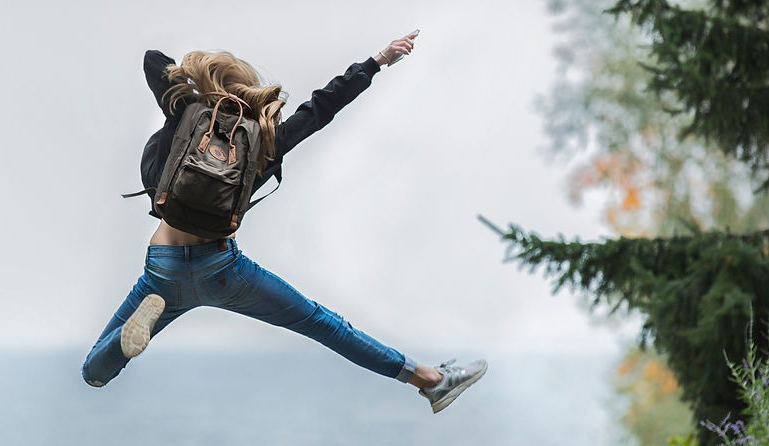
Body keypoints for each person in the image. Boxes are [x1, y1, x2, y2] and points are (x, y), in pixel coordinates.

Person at [81, 32, 487, 414]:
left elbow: (154, 61)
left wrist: (200, 87)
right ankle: (430, 380)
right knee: (323, 324)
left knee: (93, 372)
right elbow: (321, 108)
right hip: (222, 269)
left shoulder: (185, 113)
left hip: (163, 268)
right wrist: (377, 61)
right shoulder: (264, 139)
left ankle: (122, 343)